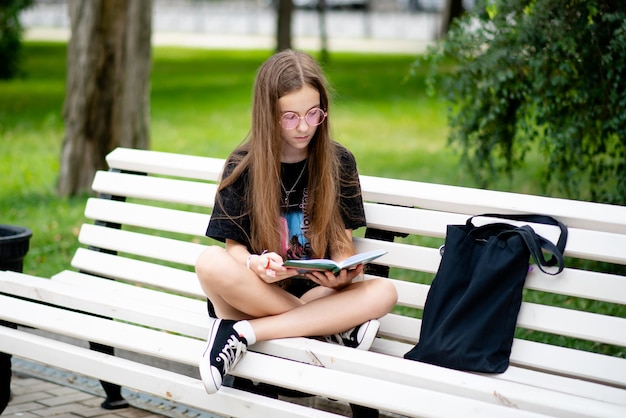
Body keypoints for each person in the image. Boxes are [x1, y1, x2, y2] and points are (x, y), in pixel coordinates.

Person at [195, 49, 398, 395]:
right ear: (268, 115)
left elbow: (343, 243)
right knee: (208, 263)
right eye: (289, 117)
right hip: (258, 293)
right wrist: (255, 264)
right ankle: (331, 330)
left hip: (319, 294)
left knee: (385, 290)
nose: (303, 126)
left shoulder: (338, 161)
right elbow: (233, 249)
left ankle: (244, 333)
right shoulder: (243, 166)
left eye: (313, 114)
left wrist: (339, 275)